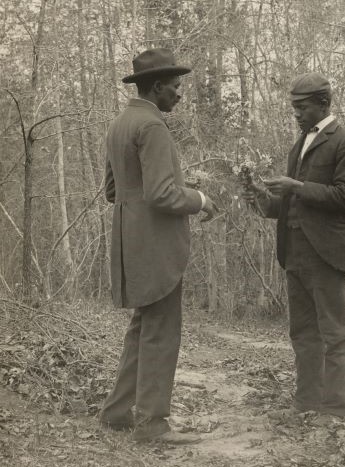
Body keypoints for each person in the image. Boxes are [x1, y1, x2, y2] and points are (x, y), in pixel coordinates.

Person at [99, 48, 217, 444]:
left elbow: (113, 191)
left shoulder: (119, 124)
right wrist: (200, 199)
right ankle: (152, 425)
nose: (180, 94)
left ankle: (117, 412)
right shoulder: (152, 126)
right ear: (156, 87)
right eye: (175, 87)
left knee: (142, 327)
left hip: (129, 241)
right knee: (161, 332)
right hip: (155, 246)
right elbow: (164, 194)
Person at [243, 72, 345, 424]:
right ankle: (307, 402)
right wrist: (260, 199)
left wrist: (295, 185)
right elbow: (286, 206)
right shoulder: (300, 143)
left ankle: (336, 409)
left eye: (301, 107)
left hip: (325, 253)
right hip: (293, 251)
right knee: (303, 332)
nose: (295, 114)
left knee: (335, 333)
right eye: (293, 107)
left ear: (323, 104)